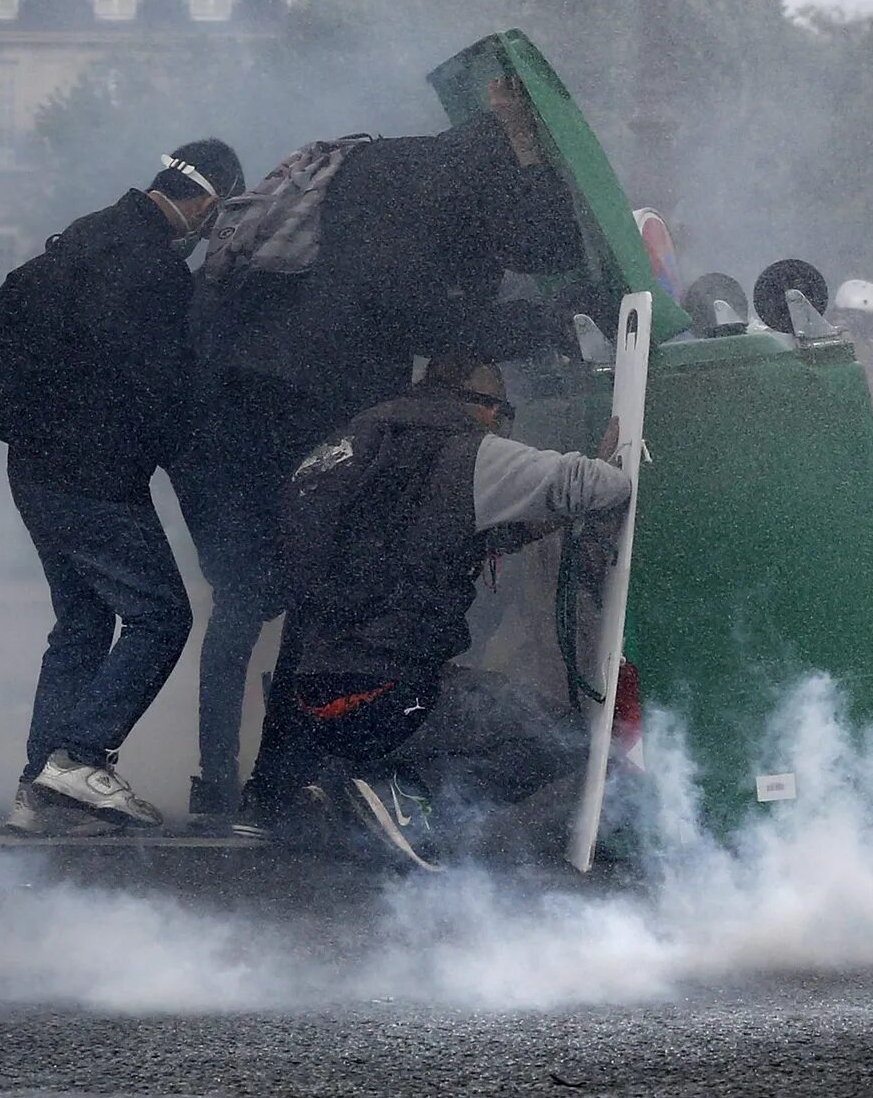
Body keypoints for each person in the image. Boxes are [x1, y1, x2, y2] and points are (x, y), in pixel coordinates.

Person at [179, 80, 579, 821]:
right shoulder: (450, 193)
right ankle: (281, 780)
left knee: (244, 601)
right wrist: (544, 315)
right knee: (316, 595)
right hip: (318, 398)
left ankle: (221, 776)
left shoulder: (377, 165)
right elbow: (510, 266)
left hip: (234, 393)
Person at [247, 355, 628, 871]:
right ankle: (412, 798)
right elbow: (593, 485)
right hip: (391, 691)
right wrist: (613, 465)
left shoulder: (357, 447)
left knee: (461, 701)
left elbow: (435, 532)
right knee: (559, 737)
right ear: (469, 400)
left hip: (311, 692)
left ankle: (343, 788)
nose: (499, 420)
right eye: (498, 406)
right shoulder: (460, 447)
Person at [0, 140, 243, 833]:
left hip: (34, 462)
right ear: (208, 204)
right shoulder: (154, 271)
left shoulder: (92, 230)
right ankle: (81, 754)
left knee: (83, 622)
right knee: (161, 616)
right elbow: (155, 396)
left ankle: (40, 785)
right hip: (91, 472)